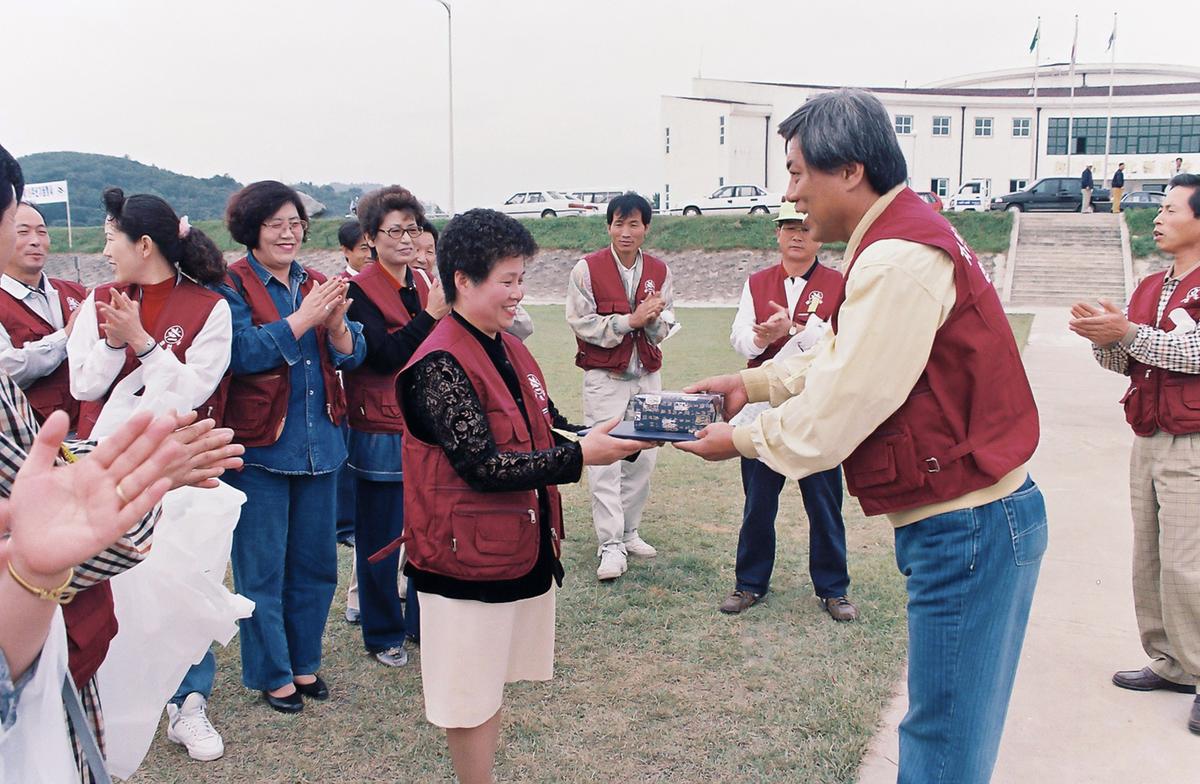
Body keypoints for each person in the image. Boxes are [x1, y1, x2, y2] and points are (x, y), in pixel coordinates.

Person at [676, 89, 1046, 784]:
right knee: (951, 727)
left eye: (795, 172)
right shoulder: (898, 238)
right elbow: (842, 356)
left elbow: (845, 405)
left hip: (967, 524)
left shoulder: (896, 258)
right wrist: (750, 385)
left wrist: (743, 439)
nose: (790, 193)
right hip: (972, 516)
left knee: (941, 740)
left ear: (848, 170)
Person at [397, 208, 649, 784]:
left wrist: (615, 435)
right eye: (507, 280)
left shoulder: (506, 346)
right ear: (462, 280)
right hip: (464, 562)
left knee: (487, 685)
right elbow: (481, 465)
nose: (519, 293)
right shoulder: (439, 361)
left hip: (511, 546)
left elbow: (547, 423)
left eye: (521, 279)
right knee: (468, 694)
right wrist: (582, 456)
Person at [65, 187, 235, 764]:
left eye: (111, 236)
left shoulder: (210, 308)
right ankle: (112, 704)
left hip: (181, 473)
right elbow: (83, 385)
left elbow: (193, 392)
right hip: (106, 469)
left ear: (144, 243)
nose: (105, 248)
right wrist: (116, 341)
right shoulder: (97, 301)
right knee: (113, 593)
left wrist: (142, 341)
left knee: (184, 588)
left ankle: (190, 706)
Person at [217, 180, 366, 714]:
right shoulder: (229, 284)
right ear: (251, 230)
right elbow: (240, 353)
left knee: (316, 566)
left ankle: (305, 663)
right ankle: (272, 673)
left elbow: (353, 353)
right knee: (260, 570)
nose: (288, 232)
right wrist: (304, 319)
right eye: (275, 223)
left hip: (320, 445)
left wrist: (338, 326)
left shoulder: (319, 281)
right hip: (259, 449)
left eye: (295, 222)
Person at [1069, 172, 1200, 736]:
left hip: (1192, 440)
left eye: (1171, 209)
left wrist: (1127, 332)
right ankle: (1171, 662)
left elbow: (1191, 354)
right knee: (1150, 554)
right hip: (1148, 435)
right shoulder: (1151, 285)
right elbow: (1130, 363)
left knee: (1188, 564)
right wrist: (1106, 339)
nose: (1158, 217)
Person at [721, 201, 856, 621]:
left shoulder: (839, 282)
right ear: (776, 234)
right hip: (763, 406)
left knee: (823, 501)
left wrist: (794, 330)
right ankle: (750, 583)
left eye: (804, 227)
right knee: (758, 501)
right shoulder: (757, 281)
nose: (797, 236)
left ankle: (833, 589)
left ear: (819, 234)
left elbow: (839, 339)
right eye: (788, 228)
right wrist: (762, 338)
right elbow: (739, 336)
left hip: (816, 406)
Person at [344, 185, 449, 665]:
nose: (406, 239)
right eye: (395, 231)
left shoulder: (425, 282)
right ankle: (382, 630)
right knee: (381, 534)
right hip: (380, 427)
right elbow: (382, 356)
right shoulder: (358, 290)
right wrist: (429, 317)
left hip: (424, 424)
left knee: (426, 527)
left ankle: (420, 625)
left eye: (413, 229)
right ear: (371, 238)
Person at [566, 191, 674, 581]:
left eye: (634, 224)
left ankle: (629, 532)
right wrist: (629, 320)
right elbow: (581, 322)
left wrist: (652, 320)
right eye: (618, 223)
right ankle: (609, 544)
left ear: (646, 227)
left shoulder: (660, 271)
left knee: (645, 456)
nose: (625, 231)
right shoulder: (586, 269)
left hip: (646, 375)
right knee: (606, 459)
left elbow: (665, 326)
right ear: (608, 225)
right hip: (604, 377)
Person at [0, 202, 87, 427]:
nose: (35, 240)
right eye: (22, 232)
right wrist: (66, 336)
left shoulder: (75, 292)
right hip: (36, 437)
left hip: (91, 427)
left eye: (42, 231)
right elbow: (5, 370)